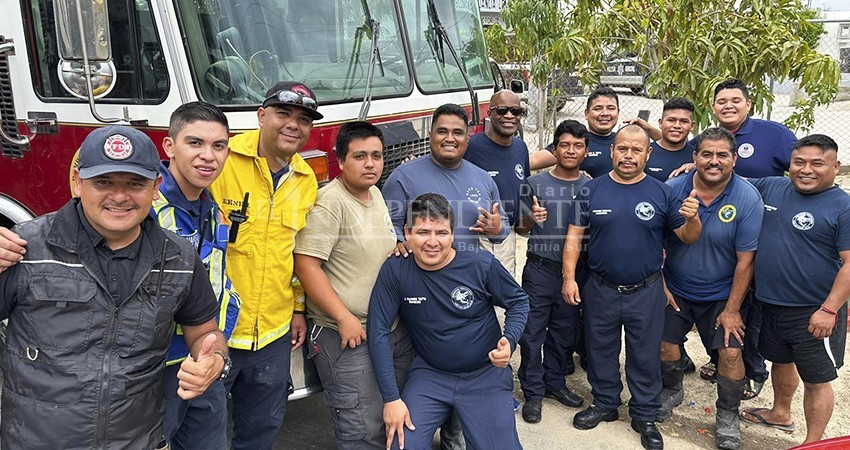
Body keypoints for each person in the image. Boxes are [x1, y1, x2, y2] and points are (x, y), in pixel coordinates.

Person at [0, 125, 228, 449]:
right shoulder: (25, 249)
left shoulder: (180, 258)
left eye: (135, 183)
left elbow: (205, 333)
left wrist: (215, 358)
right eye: (103, 182)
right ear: (78, 183)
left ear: (156, 187)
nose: (119, 196)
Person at [562, 125, 701, 450]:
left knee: (644, 354)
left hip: (646, 290)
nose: (628, 155)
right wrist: (569, 277)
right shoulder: (591, 190)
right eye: (622, 148)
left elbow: (688, 237)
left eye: (636, 150)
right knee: (600, 350)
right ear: (612, 151)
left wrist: (693, 219)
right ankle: (605, 403)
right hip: (600, 288)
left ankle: (644, 414)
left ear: (647, 154)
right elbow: (573, 237)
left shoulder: (662, 192)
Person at [208, 81, 320, 449]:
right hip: (212, 329)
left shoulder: (306, 180)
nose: (293, 125)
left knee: (260, 433)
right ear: (261, 115)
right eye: (283, 113)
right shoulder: (221, 159)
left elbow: (296, 251)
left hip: (273, 333)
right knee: (197, 431)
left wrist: (299, 308)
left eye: (303, 119)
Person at [368, 193, 529, 450]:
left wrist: (509, 340)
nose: (432, 242)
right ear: (407, 233)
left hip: (485, 374)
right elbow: (377, 331)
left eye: (441, 233)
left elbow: (519, 301)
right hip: (431, 374)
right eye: (423, 232)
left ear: (452, 234)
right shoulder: (396, 269)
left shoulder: (479, 264)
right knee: (402, 443)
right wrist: (391, 399)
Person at [293, 121, 415, 449]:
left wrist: (398, 247)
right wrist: (344, 317)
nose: (371, 163)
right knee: (363, 430)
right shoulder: (330, 202)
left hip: (388, 328)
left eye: (376, 155)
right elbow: (306, 264)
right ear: (342, 161)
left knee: (393, 418)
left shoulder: (374, 193)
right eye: (360, 156)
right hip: (347, 334)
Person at [657, 128, 764, 450]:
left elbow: (746, 261)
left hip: (722, 294)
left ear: (734, 158)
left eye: (722, 155)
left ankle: (728, 413)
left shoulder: (746, 197)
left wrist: (732, 310)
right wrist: (661, 285)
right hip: (674, 287)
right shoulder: (672, 189)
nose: (713, 161)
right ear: (694, 158)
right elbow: (652, 244)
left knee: (731, 353)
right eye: (706, 154)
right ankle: (671, 390)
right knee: (664, 346)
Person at [740, 134, 849, 445]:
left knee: (818, 380)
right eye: (799, 162)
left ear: (836, 167)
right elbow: (729, 176)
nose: (806, 170)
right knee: (781, 361)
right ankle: (780, 412)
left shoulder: (843, 207)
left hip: (814, 311)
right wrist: (686, 168)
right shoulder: (773, 187)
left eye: (817, 163)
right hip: (770, 304)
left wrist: (829, 310)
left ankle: (812, 442)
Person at [152, 102, 241, 450]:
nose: (208, 156)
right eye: (195, 143)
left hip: (202, 362)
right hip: (153, 371)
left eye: (218, 146)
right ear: (169, 147)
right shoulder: (142, 203)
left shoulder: (210, 206)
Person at [515, 120, 590, 423]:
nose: (570, 150)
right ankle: (533, 391)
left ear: (586, 150)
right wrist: (532, 217)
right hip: (540, 269)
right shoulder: (535, 184)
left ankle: (555, 383)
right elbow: (520, 228)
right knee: (532, 333)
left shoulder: (591, 185)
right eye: (565, 145)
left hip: (576, 273)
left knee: (564, 332)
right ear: (555, 148)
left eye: (577, 145)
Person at [382, 103, 508, 256]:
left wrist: (497, 228)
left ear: (467, 138)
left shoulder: (484, 179)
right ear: (430, 135)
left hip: (467, 274)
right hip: (421, 273)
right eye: (442, 131)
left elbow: (503, 229)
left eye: (457, 132)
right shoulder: (403, 177)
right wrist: (400, 242)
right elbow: (388, 226)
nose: (449, 139)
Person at [464, 90, 531, 276]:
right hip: (476, 235)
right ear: (490, 113)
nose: (509, 116)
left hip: (507, 237)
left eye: (516, 111)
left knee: (502, 299)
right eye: (502, 110)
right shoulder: (472, 146)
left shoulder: (520, 147)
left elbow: (522, 186)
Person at [529, 86, 620, 176]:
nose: (604, 113)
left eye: (611, 108)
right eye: (597, 108)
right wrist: (573, 175)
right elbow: (532, 161)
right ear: (586, 113)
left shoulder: (624, 141)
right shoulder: (577, 140)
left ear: (618, 113)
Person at [644, 97, 696, 181]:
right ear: (660, 123)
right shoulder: (645, 152)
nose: (677, 126)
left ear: (692, 126)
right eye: (671, 120)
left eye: (684, 121)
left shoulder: (696, 157)